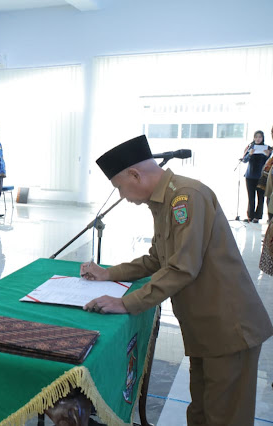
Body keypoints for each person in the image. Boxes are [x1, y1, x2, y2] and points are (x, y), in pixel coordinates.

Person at [80, 135, 273, 426]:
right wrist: (109, 273)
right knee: (200, 413)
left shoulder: (186, 197)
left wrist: (127, 303)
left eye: (120, 187)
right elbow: (157, 259)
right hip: (204, 329)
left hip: (229, 329)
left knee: (224, 417)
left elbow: (183, 268)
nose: (122, 196)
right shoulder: (163, 201)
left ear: (135, 174)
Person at [242, 130, 270, 223]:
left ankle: (257, 216)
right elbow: (244, 160)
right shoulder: (250, 147)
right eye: (256, 137)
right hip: (250, 176)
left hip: (261, 177)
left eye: (260, 137)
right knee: (251, 196)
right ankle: (250, 215)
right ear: (254, 138)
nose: (258, 139)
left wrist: (267, 156)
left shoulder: (267, 148)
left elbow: (269, 163)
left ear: (263, 138)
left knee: (260, 197)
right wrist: (249, 154)